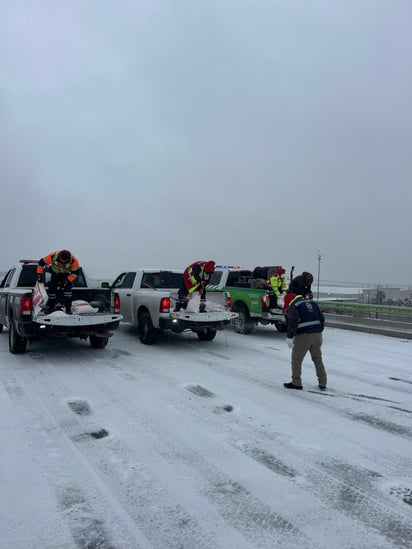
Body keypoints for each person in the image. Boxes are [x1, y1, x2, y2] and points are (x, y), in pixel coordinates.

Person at [283, 292, 327, 391]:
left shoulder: (294, 305)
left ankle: (296, 383)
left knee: (296, 359)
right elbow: (322, 318)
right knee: (317, 358)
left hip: (303, 336)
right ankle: (323, 382)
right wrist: (319, 329)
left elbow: (292, 322)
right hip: (317, 335)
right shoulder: (312, 303)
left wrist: (290, 337)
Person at [37, 250, 80, 314]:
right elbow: (40, 264)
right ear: (59, 257)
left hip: (66, 276)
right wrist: (39, 275)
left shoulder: (74, 261)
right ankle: (50, 308)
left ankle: (68, 309)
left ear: (68, 259)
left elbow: (75, 274)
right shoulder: (52, 256)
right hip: (55, 274)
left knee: (68, 293)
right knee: (51, 291)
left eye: (65, 262)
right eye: (62, 260)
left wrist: (67, 281)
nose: (63, 263)